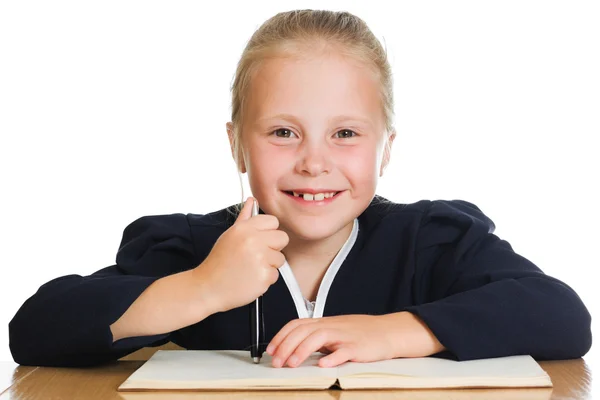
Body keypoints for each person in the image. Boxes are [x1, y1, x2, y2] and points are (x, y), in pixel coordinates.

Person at [9, 9, 591, 369]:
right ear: (237, 143)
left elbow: (562, 317)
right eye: (283, 132)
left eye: (345, 134)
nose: (315, 163)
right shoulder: (187, 247)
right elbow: (36, 330)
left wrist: (393, 332)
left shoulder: (434, 240)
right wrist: (202, 289)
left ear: (386, 147)